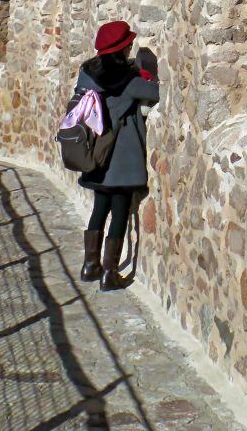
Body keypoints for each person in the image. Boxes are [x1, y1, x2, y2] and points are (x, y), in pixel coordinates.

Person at [72, 20, 159, 291]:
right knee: (120, 212)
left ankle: (90, 266)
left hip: (96, 155)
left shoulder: (87, 74)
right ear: (121, 49)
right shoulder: (129, 82)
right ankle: (110, 273)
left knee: (100, 209)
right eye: (128, 46)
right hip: (121, 158)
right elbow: (155, 93)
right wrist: (147, 71)